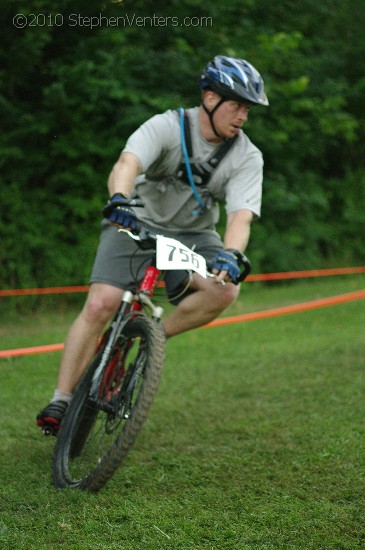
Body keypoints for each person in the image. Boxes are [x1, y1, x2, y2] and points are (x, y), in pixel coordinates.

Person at [36, 55, 269, 433]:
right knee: (101, 304)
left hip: (193, 235)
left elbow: (240, 215)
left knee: (226, 290)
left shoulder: (246, 156)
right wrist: (119, 200)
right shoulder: (167, 125)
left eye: (248, 109)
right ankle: (60, 400)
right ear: (210, 98)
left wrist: (231, 253)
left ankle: (151, 337)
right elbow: (127, 163)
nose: (243, 116)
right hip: (136, 218)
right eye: (237, 105)